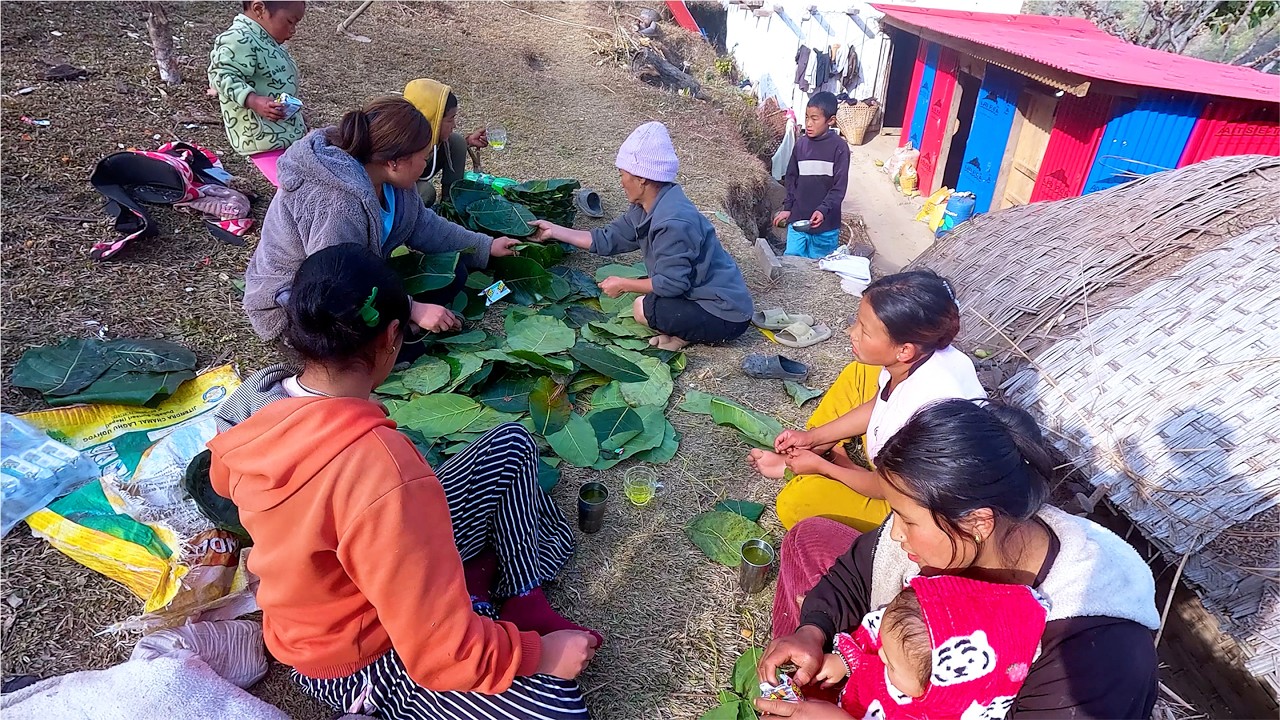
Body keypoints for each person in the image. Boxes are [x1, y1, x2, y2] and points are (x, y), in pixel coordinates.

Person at [210, 244, 598, 719]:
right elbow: (440, 653)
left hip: (345, 582)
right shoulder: (384, 469)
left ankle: (520, 594)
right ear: (392, 337)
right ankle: (391, 685)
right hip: (357, 657)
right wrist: (540, 656)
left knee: (511, 445)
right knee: (558, 706)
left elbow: (226, 482)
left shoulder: (254, 408)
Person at [758, 400, 1161, 719]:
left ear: (977, 522)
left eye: (908, 520)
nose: (895, 533)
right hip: (882, 675)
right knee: (809, 538)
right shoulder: (964, 527)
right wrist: (812, 630)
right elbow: (858, 570)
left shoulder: (1095, 655)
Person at [243, 96, 521, 344]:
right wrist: (412, 308)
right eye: (423, 158)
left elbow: (424, 225)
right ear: (395, 162)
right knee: (379, 351)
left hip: (354, 278)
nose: (426, 165)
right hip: (303, 299)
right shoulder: (336, 204)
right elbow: (334, 283)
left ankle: (399, 329)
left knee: (455, 274)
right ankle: (399, 335)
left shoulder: (394, 183)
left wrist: (486, 246)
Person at [748, 270, 985, 531]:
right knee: (859, 373)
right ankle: (807, 452)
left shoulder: (930, 410)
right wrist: (812, 438)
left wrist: (825, 469)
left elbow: (887, 488)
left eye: (865, 331)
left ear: (905, 349)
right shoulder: (920, 356)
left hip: (914, 507)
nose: (852, 332)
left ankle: (823, 463)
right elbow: (880, 403)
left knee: (796, 502)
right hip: (898, 467)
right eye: (857, 322)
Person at [528, 121, 753, 351]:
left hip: (726, 314)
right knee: (652, 302)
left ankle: (688, 333)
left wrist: (624, 284)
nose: (621, 181)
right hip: (698, 295)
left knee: (643, 309)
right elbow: (608, 239)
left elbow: (672, 284)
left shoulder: (673, 222)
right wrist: (554, 231)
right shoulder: (646, 206)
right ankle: (682, 335)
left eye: (622, 173)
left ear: (641, 178)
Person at [814, 575, 1048, 719]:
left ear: (937, 690)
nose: (881, 654)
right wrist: (845, 660)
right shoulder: (906, 646)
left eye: (892, 666)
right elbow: (874, 635)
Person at [208, 1, 308, 187]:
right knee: (291, 187)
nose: (293, 30)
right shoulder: (238, 38)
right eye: (290, 21)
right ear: (259, 9)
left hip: (280, 132)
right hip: (262, 137)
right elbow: (220, 75)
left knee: (299, 179)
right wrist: (252, 100)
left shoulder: (266, 39)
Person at [773, 91, 849, 259]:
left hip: (826, 227)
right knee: (791, 265)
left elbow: (839, 188)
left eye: (815, 119)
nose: (808, 123)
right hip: (798, 221)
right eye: (807, 117)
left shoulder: (839, 148)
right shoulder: (801, 145)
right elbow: (791, 180)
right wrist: (788, 209)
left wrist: (823, 210)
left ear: (831, 120)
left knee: (819, 269)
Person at [403, 77, 489, 208]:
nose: (454, 125)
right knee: (426, 192)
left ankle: (450, 204)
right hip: (398, 188)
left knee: (457, 142)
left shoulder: (427, 135)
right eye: (450, 119)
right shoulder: (400, 141)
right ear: (433, 119)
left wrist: (468, 141)